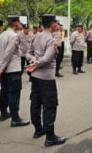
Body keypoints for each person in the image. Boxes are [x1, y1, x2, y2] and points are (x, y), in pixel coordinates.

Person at [26, 15, 66, 147]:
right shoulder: (50, 39)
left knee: (36, 102)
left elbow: (28, 53)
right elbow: (46, 59)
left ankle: (38, 129)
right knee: (49, 105)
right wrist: (36, 63)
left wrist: (32, 61)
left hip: (35, 77)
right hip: (46, 78)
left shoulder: (37, 35)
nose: (57, 25)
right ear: (52, 24)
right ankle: (50, 137)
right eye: (56, 23)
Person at [0, 16, 30, 127]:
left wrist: (0, 66)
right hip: (12, 69)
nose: (21, 24)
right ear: (15, 23)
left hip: (4, 69)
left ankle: (4, 113)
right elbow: (9, 53)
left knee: (4, 91)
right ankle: (15, 118)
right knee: (14, 93)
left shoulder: (2, 34)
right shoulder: (14, 35)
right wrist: (1, 68)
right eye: (20, 22)